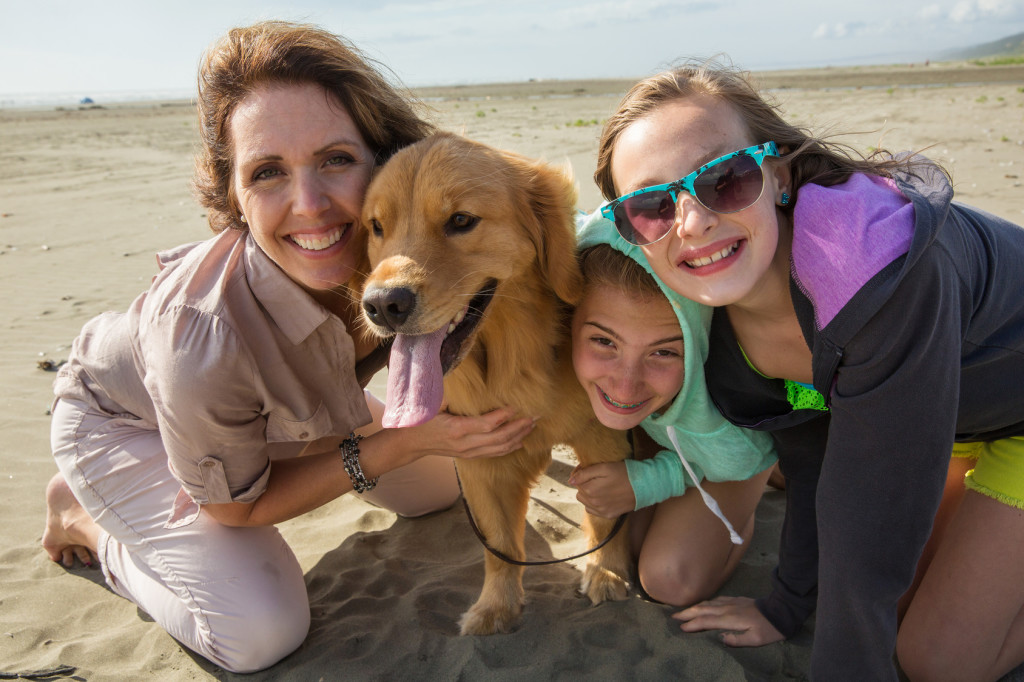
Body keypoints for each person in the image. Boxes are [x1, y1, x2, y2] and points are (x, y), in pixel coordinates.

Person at [40, 21, 535, 673]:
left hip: (284, 408)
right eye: (268, 172)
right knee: (259, 633)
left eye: (335, 159)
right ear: (235, 197)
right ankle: (86, 521)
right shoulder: (202, 337)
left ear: (384, 159)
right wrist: (405, 441)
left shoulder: (403, 248)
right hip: (123, 421)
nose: (311, 206)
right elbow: (236, 505)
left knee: (438, 493)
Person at [590, 59, 1024, 681]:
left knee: (937, 660)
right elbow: (812, 458)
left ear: (780, 173)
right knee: (890, 606)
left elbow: (868, 528)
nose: (692, 222)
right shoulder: (724, 339)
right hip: (956, 418)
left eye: (725, 178)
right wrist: (785, 606)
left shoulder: (877, 274)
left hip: (1008, 417)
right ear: (633, 231)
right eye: (652, 205)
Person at [568, 214, 776, 607]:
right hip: (666, 431)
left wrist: (651, 480)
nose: (625, 385)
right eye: (603, 342)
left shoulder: (721, 420)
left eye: (664, 351)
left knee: (668, 577)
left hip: (735, 449)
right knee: (625, 542)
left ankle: (756, 496)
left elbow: (736, 459)